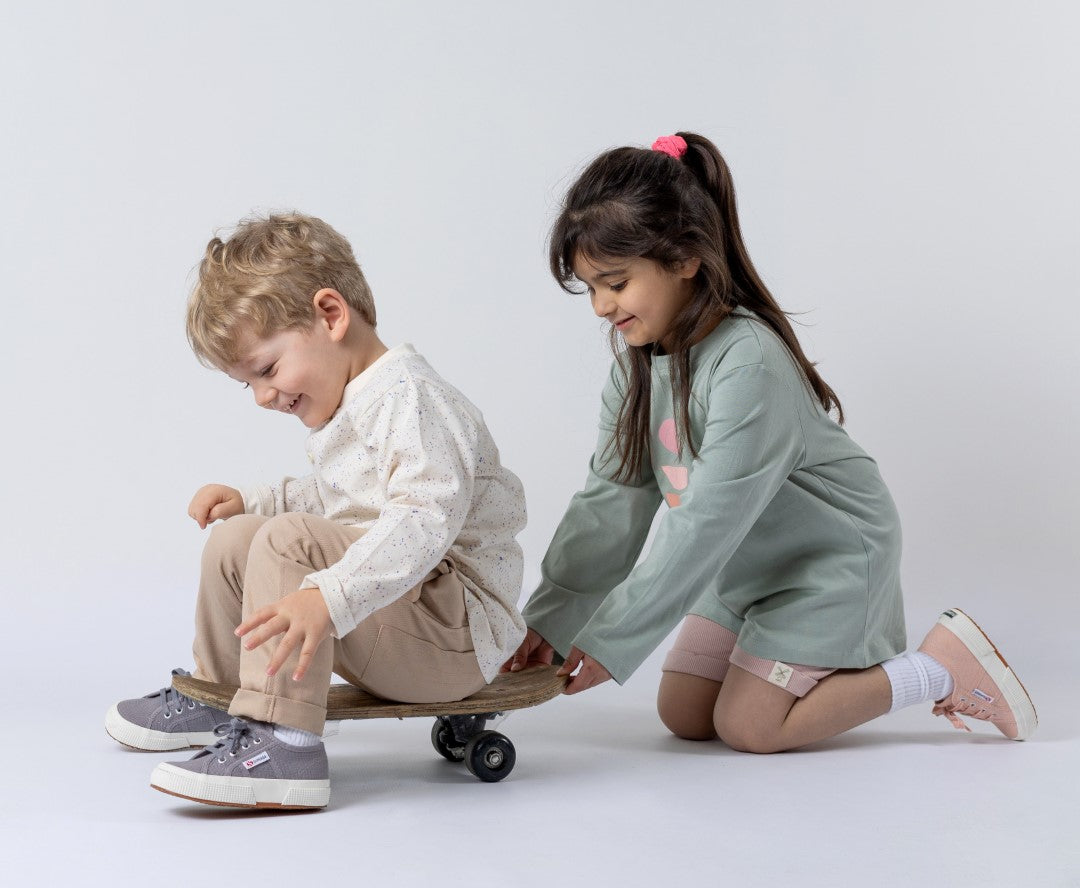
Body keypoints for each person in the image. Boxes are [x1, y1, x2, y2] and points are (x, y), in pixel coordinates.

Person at [506, 132, 1036, 752]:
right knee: (684, 713)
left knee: (749, 726)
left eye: (616, 283)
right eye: (590, 288)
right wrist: (553, 619)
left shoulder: (749, 360)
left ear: (684, 258)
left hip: (827, 562)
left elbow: (703, 521)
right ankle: (790, 657)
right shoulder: (637, 364)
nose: (600, 307)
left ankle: (940, 667)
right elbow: (612, 497)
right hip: (746, 567)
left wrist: (613, 632)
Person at [106, 213, 527, 809]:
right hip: (408, 612)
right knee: (240, 539)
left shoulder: (409, 397)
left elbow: (424, 520)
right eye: (247, 383)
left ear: (331, 316)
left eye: (269, 370)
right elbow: (339, 498)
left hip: (456, 637)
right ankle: (223, 695)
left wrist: (328, 596)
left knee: (286, 542)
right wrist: (252, 501)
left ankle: (284, 743)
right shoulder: (360, 401)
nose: (263, 397)